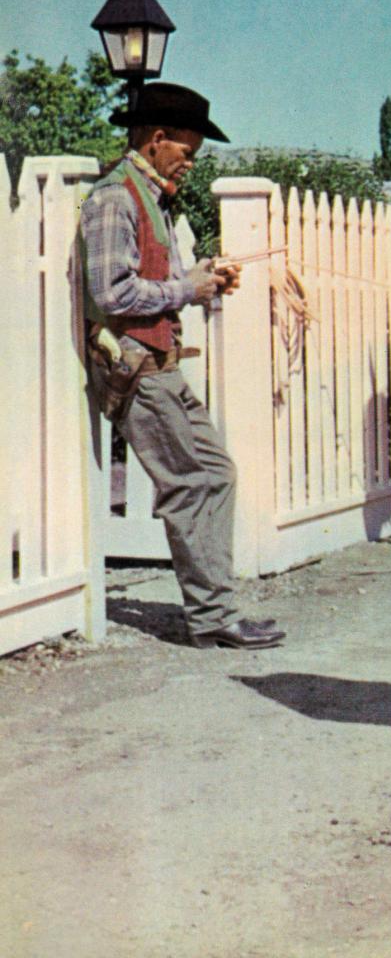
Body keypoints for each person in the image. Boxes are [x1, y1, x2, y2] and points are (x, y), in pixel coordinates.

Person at [79, 81, 285, 650]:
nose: (190, 163)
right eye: (186, 151)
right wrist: (186, 289)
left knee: (214, 473)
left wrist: (203, 280)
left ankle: (214, 611)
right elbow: (113, 293)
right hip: (138, 370)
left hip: (160, 366)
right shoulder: (114, 198)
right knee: (194, 482)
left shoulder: (154, 199)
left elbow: (156, 282)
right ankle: (213, 620)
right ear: (156, 139)